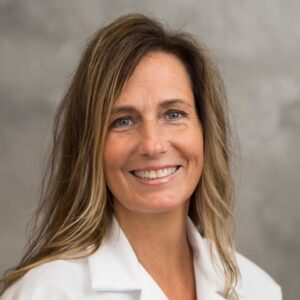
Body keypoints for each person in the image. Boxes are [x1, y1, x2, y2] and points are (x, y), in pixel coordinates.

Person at [0, 13, 282, 300]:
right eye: (123, 120)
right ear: (90, 146)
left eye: (173, 114)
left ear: (206, 131)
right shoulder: (47, 292)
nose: (152, 144)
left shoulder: (258, 289)